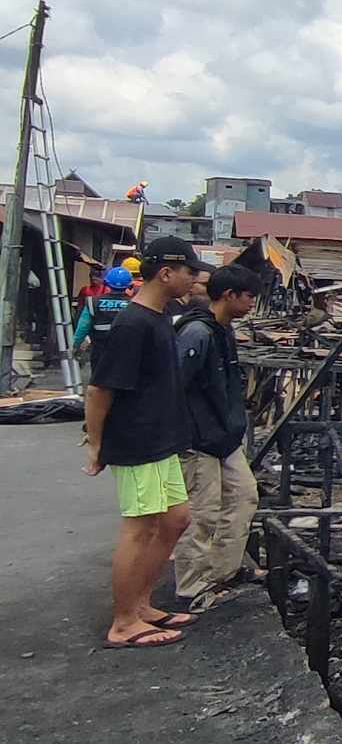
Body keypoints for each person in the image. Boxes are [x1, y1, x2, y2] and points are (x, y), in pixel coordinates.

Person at [82, 236, 214, 649]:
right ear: (166, 273)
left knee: (175, 520)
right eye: (190, 272)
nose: (195, 280)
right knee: (139, 528)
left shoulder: (160, 315)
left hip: (161, 438)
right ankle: (123, 622)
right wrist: (96, 445)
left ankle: (141, 605)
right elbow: (99, 390)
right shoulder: (133, 323)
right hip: (138, 440)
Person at [173, 264, 260, 607]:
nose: (253, 302)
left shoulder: (223, 331)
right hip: (199, 439)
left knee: (244, 496)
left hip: (224, 435)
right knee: (203, 512)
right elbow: (174, 386)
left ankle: (224, 569)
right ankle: (192, 586)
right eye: (250, 296)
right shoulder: (198, 333)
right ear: (229, 295)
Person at [74, 265, 135, 349]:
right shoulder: (134, 304)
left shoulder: (93, 302)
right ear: (130, 285)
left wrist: (75, 346)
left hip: (99, 352)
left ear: (106, 283)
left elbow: (82, 328)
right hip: (126, 352)